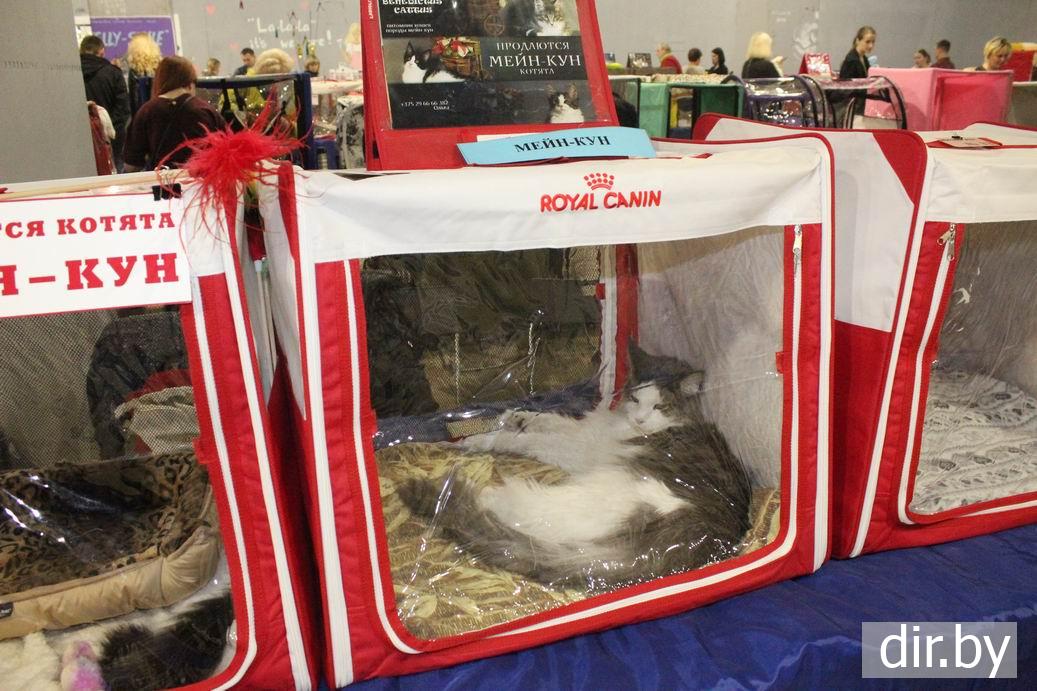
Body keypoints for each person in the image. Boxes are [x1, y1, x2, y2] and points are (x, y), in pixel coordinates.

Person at [123, 56, 225, 171]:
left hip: (162, 180)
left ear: (159, 80)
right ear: (190, 83)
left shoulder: (146, 111)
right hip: (200, 179)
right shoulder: (206, 110)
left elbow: (131, 165)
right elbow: (226, 153)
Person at [79, 35, 130, 172]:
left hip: (82, 139)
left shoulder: (70, 73)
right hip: (111, 138)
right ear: (101, 51)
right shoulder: (113, 73)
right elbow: (123, 109)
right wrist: (109, 130)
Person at [125, 32, 161, 116]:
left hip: (142, 113)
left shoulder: (133, 71)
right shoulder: (160, 66)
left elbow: (134, 99)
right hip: (159, 111)